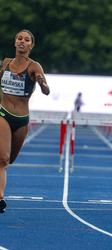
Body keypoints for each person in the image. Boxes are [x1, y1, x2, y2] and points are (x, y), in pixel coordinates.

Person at [0, 30, 50, 213]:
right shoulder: (6, 63)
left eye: (26, 40)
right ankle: (0, 199)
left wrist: (42, 83)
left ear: (31, 45)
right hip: (3, 114)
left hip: (21, 119)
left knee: (10, 159)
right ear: (15, 42)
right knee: (2, 158)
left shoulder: (34, 66)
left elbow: (46, 91)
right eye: (19, 38)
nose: (22, 42)